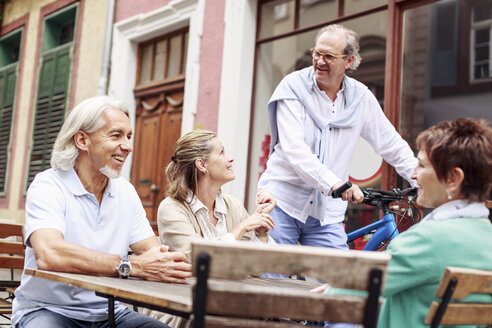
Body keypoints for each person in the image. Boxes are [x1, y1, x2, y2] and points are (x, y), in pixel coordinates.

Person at [12, 96, 192, 328]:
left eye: (129, 136)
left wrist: (173, 263)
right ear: (82, 140)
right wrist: (133, 266)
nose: (127, 146)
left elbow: (153, 253)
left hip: (109, 312)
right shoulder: (48, 185)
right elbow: (50, 254)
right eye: (116, 135)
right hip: (47, 310)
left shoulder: (125, 192)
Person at [317, 118, 492, 328]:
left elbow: (345, 293)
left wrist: (334, 287)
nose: (413, 174)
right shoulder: (486, 238)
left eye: (422, 165)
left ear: (453, 178)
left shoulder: (426, 240)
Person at [258, 24, 417, 250]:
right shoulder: (293, 88)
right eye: (317, 53)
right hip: (283, 202)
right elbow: (295, 150)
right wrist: (335, 184)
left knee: (339, 280)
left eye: (330, 56)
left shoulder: (360, 98)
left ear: (349, 61)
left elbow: (391, 144)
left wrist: (419, 179)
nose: (320, 61)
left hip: (327, 214)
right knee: (272, 279)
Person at [144, 129, 276, 327]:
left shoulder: (232, 205)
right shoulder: (172, 208)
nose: (230, 158)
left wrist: (260, 231)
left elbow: (258, 270)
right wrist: (239, 229)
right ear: (202, 165)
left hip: (229, 305)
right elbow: (196, 261)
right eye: (222, 152)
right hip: (183, 309)